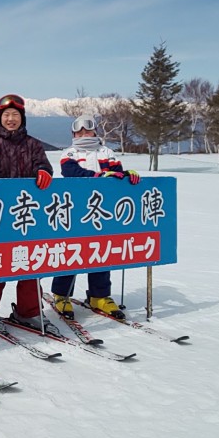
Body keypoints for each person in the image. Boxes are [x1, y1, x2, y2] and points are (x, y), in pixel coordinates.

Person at [0, 93, 54, 329]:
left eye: (15, 115)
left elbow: (43, 164)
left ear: (22, 118)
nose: (10, 119)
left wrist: (44, 171)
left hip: (26, 213)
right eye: (6, 115)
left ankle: (28, 310)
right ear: (0, 117)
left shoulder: (33, 144)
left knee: (29, 260)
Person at [50, 114, 140, 320]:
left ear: (95, 131)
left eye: (87, 130)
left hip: (102, 210)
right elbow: (70, 171)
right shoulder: (70, 152)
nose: (83, 134)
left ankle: (99, 295)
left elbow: (115, 172)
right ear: (73, 133)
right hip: (75, 209)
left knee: (101, 249)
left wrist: (126, 176)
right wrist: (98, 176)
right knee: (71, 250)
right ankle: (62, 294)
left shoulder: (106, 152)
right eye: (79, 131)